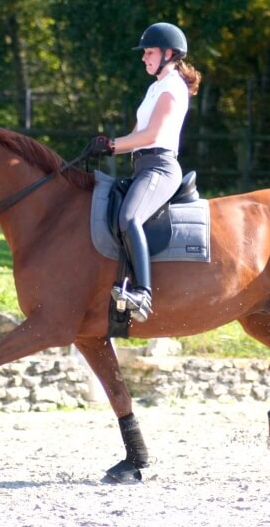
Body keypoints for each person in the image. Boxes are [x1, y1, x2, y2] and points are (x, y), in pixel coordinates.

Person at [87, 22, 201, 322]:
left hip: (160, 167)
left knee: (129, 217)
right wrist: (105, 147)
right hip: (143, 166)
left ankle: (142, 294)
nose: (143, 57)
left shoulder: (172, 87)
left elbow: (152, 135)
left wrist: (112, 145)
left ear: (168, 54)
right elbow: (135, 136)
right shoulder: (155, 88)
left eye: (149, 52)